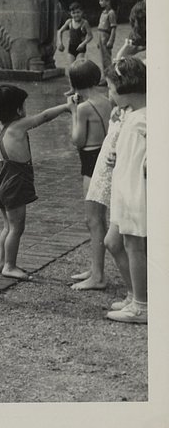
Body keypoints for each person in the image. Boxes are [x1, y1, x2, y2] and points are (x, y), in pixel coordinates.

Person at [0, 85, 71, 279]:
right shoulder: (19, 126)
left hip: (0, 181)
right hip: (15, 182)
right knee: (17, 227)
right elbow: (45, 116)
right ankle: (10, 266)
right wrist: (66, 107)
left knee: (7, 226)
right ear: (18, 110)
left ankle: (1, 262)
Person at [63, 59, 114, 291]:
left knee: (93, 220)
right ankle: (95, 268)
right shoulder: (106, 100)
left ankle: (99, 276)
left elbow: (78, 140)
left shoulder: (83, 108)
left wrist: (74, 112)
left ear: (74, 83)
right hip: (102, 157)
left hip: (91, 162)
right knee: (97, 219)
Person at [105, 57, 147, 323]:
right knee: (115, 241)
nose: (109, 93)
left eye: (110, 88)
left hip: (136, 188)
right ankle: (136, 294)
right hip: (123, 184)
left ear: (124, 86)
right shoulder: (132, 113)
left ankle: (142, 304)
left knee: (133, 243)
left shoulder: (147, 116)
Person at [95, 0, 118, 80]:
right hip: (101, 36)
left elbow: (113, 28)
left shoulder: (111, 13)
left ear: (108, 1)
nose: (99, 2)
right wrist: (98, 40)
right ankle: (105, 77)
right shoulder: (103, 13)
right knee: (102, 58)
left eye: (101, 0)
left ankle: (110, 78)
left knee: (107, 59)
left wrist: (111, 40)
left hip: (106, 37)